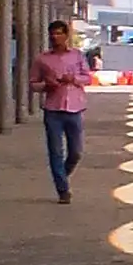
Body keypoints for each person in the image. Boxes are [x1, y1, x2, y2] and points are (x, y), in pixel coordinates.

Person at [27, 21, 94, 204]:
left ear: (66, 35)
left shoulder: (77, 56)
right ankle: (62, 190)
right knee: (55, 151)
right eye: (52, 34)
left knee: (76, 152)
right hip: (53, 110)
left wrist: (73, 79)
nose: (55, 37)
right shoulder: (42, 59)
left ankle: (62, 175)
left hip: (75, 108)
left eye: (59, 33)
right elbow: (33, 84)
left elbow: (88, 78)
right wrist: (46, 85)